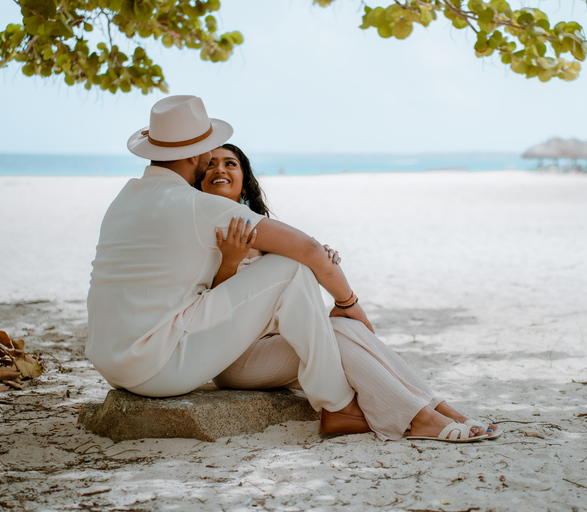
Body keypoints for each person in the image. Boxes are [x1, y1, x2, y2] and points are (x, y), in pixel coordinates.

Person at [86, 95, 498, 443]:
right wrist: (348, 301)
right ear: (195, 154)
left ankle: (426, 410)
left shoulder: (125, 201)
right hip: (161, 365)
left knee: (339, 328)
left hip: (119, 361)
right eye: (209, 156)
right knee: (291, 267)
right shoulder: (196, 206)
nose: (214, 165)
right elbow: (307, 249)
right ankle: (338, 405)